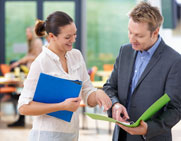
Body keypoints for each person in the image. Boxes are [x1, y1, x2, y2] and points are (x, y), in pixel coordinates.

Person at [18, 11, 112, 141]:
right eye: (68, 37)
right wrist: (61, 106)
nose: (73, 40)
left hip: (72, 135)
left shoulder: (76, 56)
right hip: (46, 136)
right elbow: (23, 107)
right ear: (52, 36)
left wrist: (98, 94)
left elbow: (87, 94)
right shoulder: (41, 63)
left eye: (75, 35)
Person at [103, 2, 181, 141]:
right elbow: (109, 87)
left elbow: (176, 109)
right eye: (130, 32)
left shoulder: (174, 61)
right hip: (120, 136)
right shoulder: (124, 51)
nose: (131, 39)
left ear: (155, 32)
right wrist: (115, 104)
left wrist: (149, 128)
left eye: (138, 35)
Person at [7, 27, 43, 127]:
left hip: (33, 73)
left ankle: (13, 90)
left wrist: (20, 61)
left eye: (27, 32)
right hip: (29, 71)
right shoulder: (31, 43)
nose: (26, 34)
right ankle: (13, 89)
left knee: (14, 65)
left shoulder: (37, 42)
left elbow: (37, 56)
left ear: (32, 32)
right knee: (13, 64)